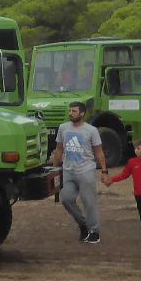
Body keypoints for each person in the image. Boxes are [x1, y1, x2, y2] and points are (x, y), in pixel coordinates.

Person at [49, 101, 108, 244]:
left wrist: (104, 170)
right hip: (68, 170)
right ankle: (83, 225)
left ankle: (94, 231)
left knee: (89, 202)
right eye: (70, 111)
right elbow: (59, 149)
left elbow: (98, 151)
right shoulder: (63, 128)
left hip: (86, 170)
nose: (71, 113)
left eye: (74, 111)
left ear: (82, 113)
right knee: (66, 199)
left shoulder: (91, 130)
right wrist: (53, 169)